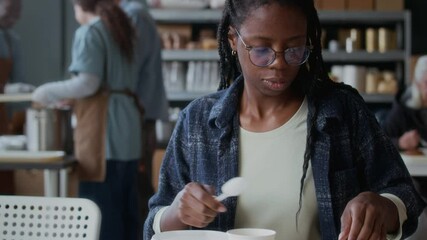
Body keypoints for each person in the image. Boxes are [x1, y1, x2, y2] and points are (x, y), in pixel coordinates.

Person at [143, 0, 426, 240]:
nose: (279, 63)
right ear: (233, 40)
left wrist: (383, 206)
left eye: (294, 49)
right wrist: (176, 212)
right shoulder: (198, 121)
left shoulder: (342, 111)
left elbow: (405, 194)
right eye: (262, 49)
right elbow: (153, 223)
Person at [32, 0, 142, 239]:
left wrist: (43, 93)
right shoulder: (120, 29)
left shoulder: (90, 32)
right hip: (128, 129)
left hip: (105, 135)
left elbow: (87, 83)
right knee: (128, 215)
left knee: (102, 217)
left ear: (80, 6)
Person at [118, 0, 169, 225]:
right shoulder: (138, 13)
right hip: (140, 113)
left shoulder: (135, 15)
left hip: (138, 115)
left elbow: (128, 67)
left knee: (137, 186)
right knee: (138, 183)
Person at [0, 0, 24, 134]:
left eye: (17, 10)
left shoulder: (12, 40)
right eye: (10, 9)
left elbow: (19, 80)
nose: (15, 16)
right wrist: (6, 89)